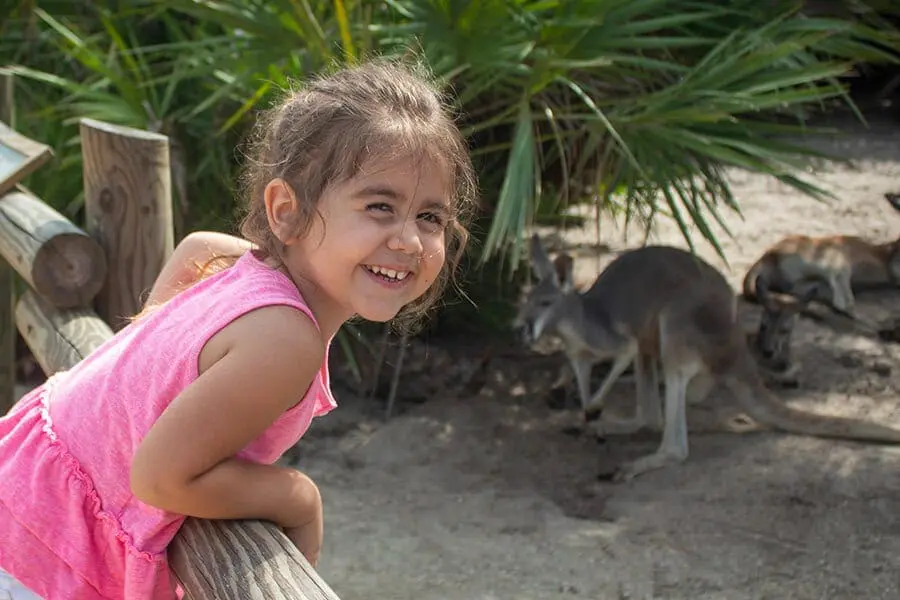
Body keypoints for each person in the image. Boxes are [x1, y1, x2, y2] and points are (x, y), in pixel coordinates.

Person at [0, 58, 478, 600]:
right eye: (379, 206)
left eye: (431, 217)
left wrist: (141, 386)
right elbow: (157, 478)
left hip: (23, 499)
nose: (410, 241)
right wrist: (296, 497)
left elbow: (195, 248)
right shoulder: (285, 339)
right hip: (38, 557)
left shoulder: (247, 268)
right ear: (286, 212)